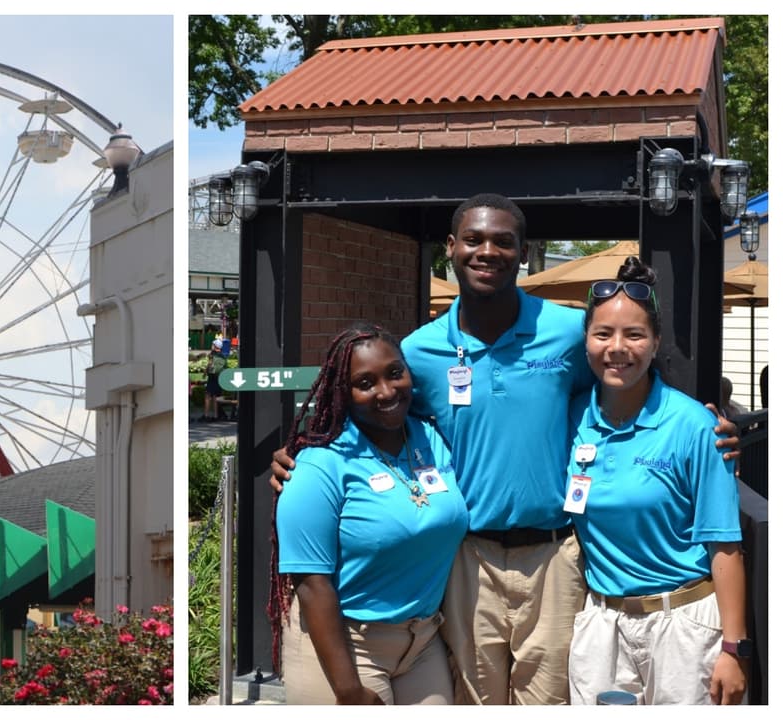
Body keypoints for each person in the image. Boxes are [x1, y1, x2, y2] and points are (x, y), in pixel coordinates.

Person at [271, 193, 739, 705]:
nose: (487, 251)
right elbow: (375, 411)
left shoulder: (568, 333)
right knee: (475, 700)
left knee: (553, 701)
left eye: (503, 241)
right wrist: (304, 453)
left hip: (556, 555)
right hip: (467, 559)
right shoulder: (418, 353)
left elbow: (624, 377)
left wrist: (708, 425)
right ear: (450, 248)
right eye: (473, 239)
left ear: (522, 252)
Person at [565, 258, 747, 705]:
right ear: (585, 339)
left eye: (635, 335)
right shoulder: (570, 419)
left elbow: (724, 545)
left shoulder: (694, 427)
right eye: (603, 333)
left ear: (656, 342)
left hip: (683, 627)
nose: (617, 348)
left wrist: (732, 648)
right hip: (602, 626)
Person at [274, 321, 468, 704]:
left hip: (422, 641)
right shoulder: (319, 466)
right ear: (342, 394)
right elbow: (312, 584)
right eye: (365, 383)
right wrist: (349, 690)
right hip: (345, 645)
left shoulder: (432, 438)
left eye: (395, 374)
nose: (385, 391)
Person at [200, 339, 228, 422]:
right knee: (216, 397)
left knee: (207, 396)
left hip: (212, 377)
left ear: (215, 346)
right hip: (220, 378)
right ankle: (216, 416)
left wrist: (205, 373)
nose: (211, 346)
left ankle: (206, 415)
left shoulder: (212, 355)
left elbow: (209, 365)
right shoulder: (223, 356)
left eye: (213, 344)